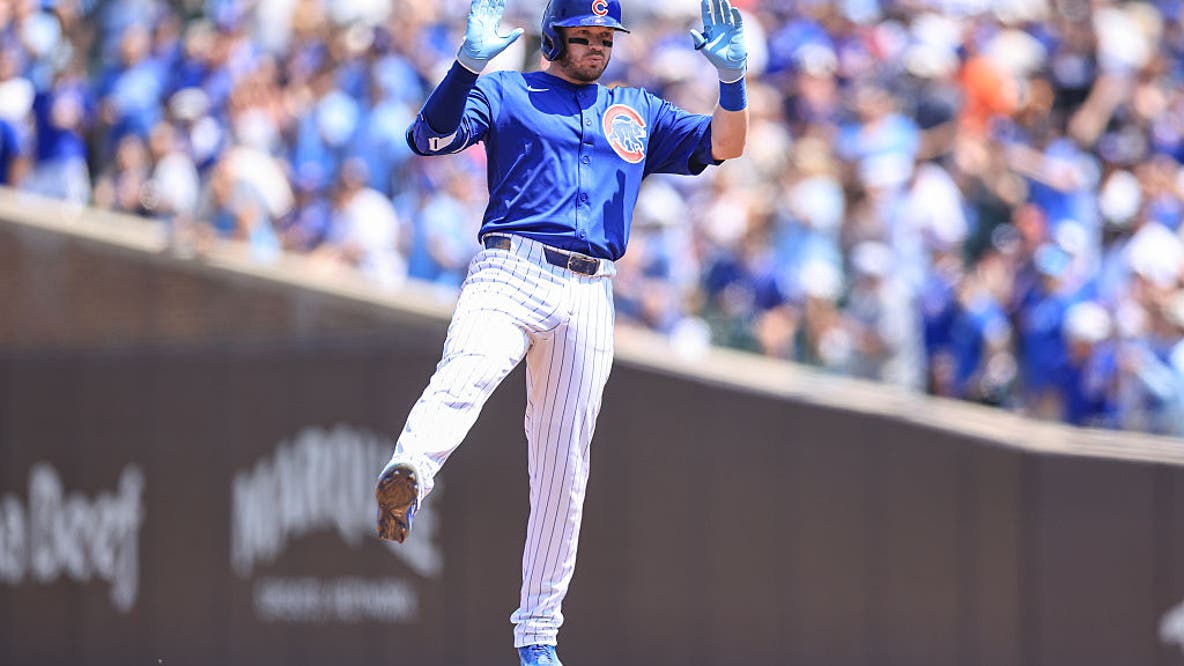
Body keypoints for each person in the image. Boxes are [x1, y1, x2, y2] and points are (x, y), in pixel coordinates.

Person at [373, 0, 748, 664]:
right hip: (509, 269)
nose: (599, 44)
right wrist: (465, 68)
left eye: (607, 34)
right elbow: (425, 140)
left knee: (562, 466)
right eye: (585, 33)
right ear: (554, 36)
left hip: (590, 291)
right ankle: (408, 470)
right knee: (468, 368)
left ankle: (538, 634)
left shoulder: (636, 110)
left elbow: (725, 144)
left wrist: (732, 82)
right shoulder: (508, 92)